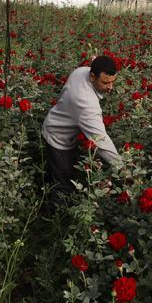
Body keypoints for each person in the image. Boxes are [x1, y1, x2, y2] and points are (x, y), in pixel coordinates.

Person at [42, 55, 122, 205]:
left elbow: (95, 62)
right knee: (62, 183)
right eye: (105, 82)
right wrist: (123, 168)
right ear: (92, 76)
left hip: (57, 122)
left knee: (57, 174)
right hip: (58, 139)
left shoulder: (81, 71)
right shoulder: (85, 104)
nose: (110, 87)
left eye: (113, 81)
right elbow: (101, 141)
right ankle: (56, 214)